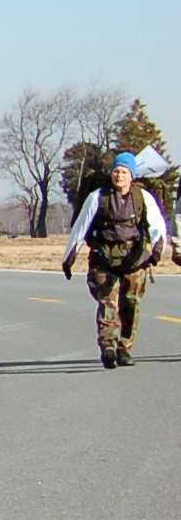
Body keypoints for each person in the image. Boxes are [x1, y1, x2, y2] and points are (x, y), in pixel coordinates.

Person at [59, 153, 169, 368]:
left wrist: (156, 253)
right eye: (116, 171)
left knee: (130, 306)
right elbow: (80, 227)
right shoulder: (97, 197)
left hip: (134, 262)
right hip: (104, 260)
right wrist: (68, 259)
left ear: (132, 176)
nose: (119, 176)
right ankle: (108, 347)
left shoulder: (143, 198)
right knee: (108, 303)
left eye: (124, 172)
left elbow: (158, 227)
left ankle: (124, 349)